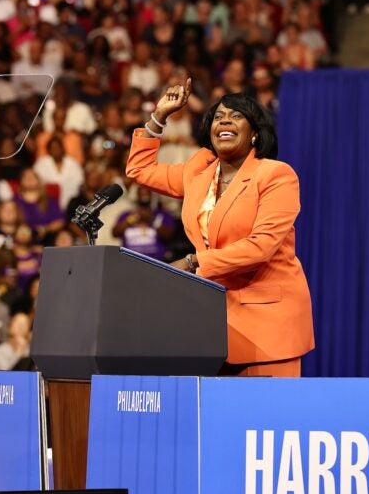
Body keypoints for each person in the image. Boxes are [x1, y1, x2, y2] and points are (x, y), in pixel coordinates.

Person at [125, 79, 314, 377]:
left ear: (254, 133)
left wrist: (193, 262)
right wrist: (159, 116)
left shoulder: (276, 175)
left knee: (262, 420)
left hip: (266, 326)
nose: (225, 121)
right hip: (211, 325)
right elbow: (139, 169)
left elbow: (261, 246)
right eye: (218, 117)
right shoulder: (198, 174)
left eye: (236, 116)